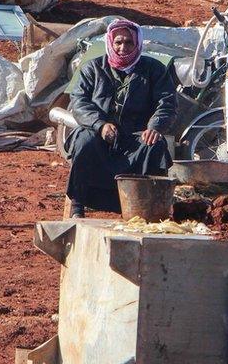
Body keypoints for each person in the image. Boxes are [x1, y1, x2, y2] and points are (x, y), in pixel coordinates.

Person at [65, 19, 177, 218]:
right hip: (99, 132)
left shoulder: (155, 69)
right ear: (110, 42)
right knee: (84, 141)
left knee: (154, 146)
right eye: (118, 42)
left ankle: (144, 208)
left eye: (128, 43)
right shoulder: (92, 68)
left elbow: (166, 103)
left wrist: (154, 127)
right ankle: (78, 204)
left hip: (135, 136)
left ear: (137, 44)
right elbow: (79, 102)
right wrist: (100, 125)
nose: (122, 47)